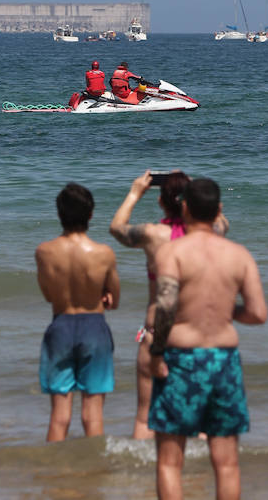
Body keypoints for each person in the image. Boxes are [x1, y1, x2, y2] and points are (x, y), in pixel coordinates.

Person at [147, 177, 267, 500]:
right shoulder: (239, 255)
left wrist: (156, 353)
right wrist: (226, 310)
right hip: (224, 360)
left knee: (170, 462)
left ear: (184, 208)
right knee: (226, 463)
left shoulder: (172, 252)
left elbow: (166, 308)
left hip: (182, 359)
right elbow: (258, 313)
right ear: (219, 210)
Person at [34, 182, 120, 441]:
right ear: (91, 215)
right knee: (92, 415)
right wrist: (103, 296)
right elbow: (114, 300)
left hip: (61, 326)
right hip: (94, 327)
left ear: (59, 214)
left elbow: (49, 296)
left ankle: (53, 465)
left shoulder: (44, 252)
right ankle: (94, 465)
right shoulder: (104, 253)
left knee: (59, 417)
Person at [110, 170, 192, 439]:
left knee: (145, 417)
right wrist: (194, 192)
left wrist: (135, 193)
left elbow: (116, 228)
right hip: (192, 334)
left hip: (155, 333)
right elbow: (220, 220)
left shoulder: (152, 235)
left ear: (160, 201)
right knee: (196, 416)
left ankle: (141, 466)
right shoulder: (207, 236)